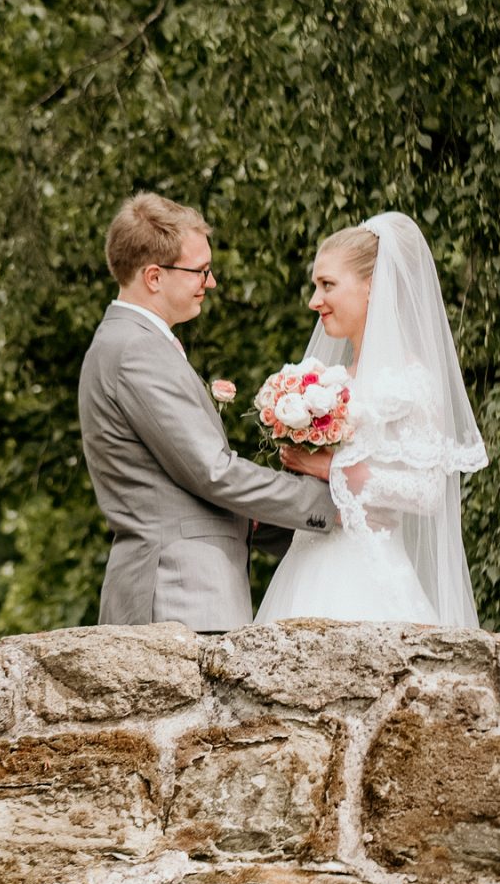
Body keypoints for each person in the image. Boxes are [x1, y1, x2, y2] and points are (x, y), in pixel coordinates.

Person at [77, 193, 336, 630]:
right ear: (154, 277)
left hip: (187, 597)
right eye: (200, 270)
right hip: (179, 600)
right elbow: (211, 472)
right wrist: (329, 504)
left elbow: (178, 489)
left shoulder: (134, 343)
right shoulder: (135, 349)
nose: (211, 282)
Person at [256, 213, 487, 627]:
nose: (314, 301)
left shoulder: (411, 381)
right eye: (315, 286)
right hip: (309, 560)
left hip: (370, 573)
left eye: (327, 285)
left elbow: (429, 492)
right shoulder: (331, 383)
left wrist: (335, 469)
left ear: (372, 286)